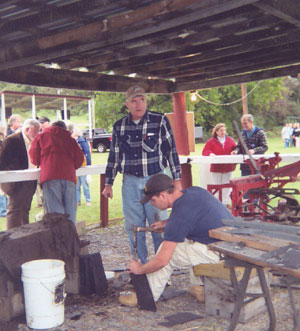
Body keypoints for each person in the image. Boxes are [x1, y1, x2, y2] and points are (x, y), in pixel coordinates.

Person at [119, 173, 235, 306]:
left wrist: (140, 269)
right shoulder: (195, 191)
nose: (152, 204)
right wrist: (166, 223)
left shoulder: (179, 217)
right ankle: (201, 288)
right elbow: (192, 217)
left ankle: (146, 296)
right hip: (231, 243)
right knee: (187, 242)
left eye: (152, 200)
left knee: (168, 252)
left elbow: (162, 261)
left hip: (222, 252)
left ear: (162, 195)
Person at [102, 86, 181, 264]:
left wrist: (177, 179)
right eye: (134, 101)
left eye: (142, 100)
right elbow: (114, 156)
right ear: (127, 104)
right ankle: (140, 266)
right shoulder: (119, 127)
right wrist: (108, 183)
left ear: (146, 101)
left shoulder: (160, 121)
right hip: (130, 182)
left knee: (159, 224)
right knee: (133, 227)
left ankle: (161, 265)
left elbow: (171, 151)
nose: (139, 105)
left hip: (156, 181)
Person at [29, 121, 84, 224]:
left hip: (50, 176)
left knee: (55, 213)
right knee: (70, 211)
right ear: (64, 129)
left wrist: (43, 163)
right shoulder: (70, 139)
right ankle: (70, 237)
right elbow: (79, 159)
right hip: (68, 177)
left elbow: (34, 157)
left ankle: (58, 238)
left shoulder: (41, 136)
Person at [0, 119, 40, 229]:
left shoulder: (35, 141)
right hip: (16, 182)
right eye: (36, 132)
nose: (37, 134)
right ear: (27, 129)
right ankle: (12, 235)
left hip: (30, 180)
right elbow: (2, 162)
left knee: (26, 209)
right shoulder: (11, 140)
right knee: (14, 209)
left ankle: (25, 232)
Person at [202, 123, 236, 206]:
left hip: (228, 168)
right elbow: (205, 151)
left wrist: (235, 152)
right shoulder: (211, 141)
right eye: (221, 130)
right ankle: (217, 204)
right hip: (216, 168)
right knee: (217, 186)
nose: (223, 132)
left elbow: (236, 148)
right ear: (216, 132)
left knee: (227, 187)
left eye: (224, 130)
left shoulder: (230, 140)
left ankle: (225, 204)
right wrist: (210, 154)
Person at [72, 128, 92, 206]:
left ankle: (88, 200)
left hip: (83, 165)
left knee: (85, 185)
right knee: (76, 185)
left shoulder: (83, 141)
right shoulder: (72, 141)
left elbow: (87, 153)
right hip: (75, 166)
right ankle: (77, 201)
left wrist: (89, 165)